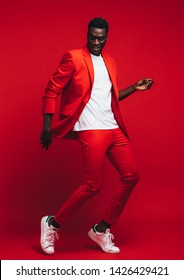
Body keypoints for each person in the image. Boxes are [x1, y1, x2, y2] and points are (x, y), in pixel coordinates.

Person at [40, 17, 153, 255]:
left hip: (113, 127)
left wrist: (133, 88)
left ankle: (101, 229)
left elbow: (108, 98)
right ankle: (52, 223)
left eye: (100, 38)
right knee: (93, 185)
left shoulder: (110, 61)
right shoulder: (73, 57)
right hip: (90, 128)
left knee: (131, 175)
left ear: (107, 38)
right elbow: (52, 89)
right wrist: (47, 126)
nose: (96, 42)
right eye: (92, 37)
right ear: (87, 35)